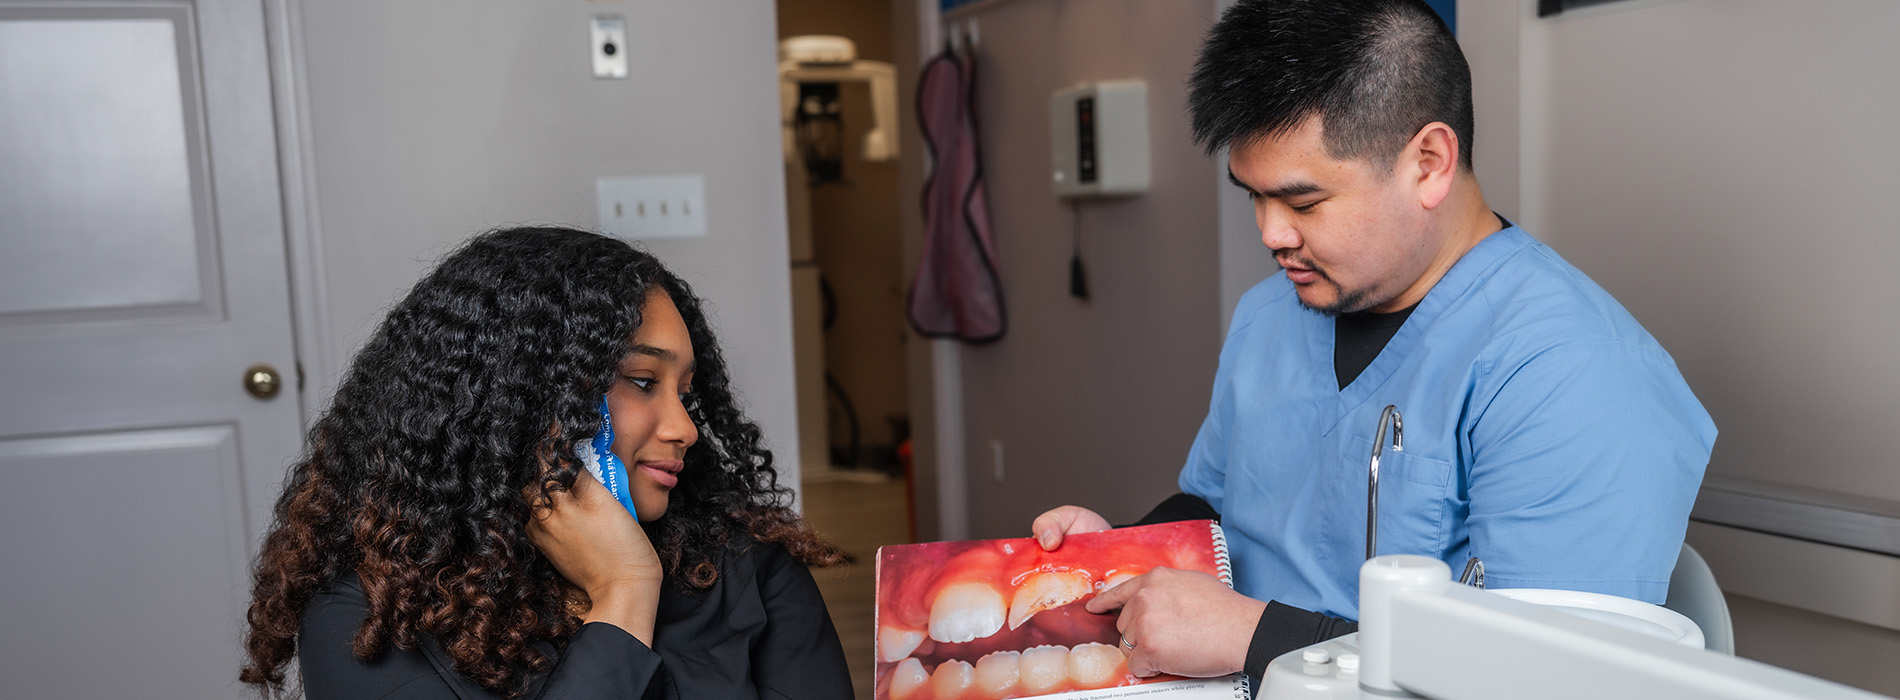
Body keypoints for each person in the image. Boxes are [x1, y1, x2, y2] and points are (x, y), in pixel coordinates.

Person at [1031, 0, 1716, 685]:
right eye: (1254, 197)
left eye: (1303, 204)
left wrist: (1249, 634)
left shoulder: (1571, 373)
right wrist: (1122, 552)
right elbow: (1216, 507)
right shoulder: (1269, 314)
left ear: (1428, 162)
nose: (1271, 235)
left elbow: (1548, 677)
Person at [239, 227, 853, 699]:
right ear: (522, 399)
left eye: (686, 393)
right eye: (641, 381)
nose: (685, 427)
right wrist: (624, 592)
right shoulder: (369, 619)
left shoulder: (749, 566)